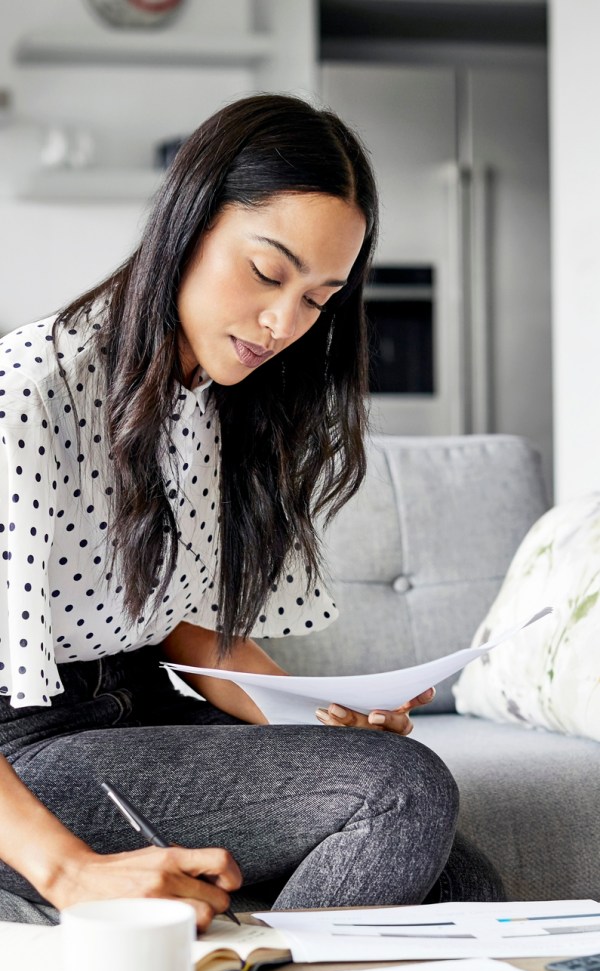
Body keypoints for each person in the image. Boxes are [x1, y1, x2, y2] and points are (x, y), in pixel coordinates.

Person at [0, 93, 503, 927]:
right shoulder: (28, 394)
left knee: (461, 889)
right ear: (188, 224)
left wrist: (324, 717)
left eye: (318, 299)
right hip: (27, 756)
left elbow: (181, 627)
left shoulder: (218, 397)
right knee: (405, 793)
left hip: (139, 714)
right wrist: (69, 872)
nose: (283, 323)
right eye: (269, 272)